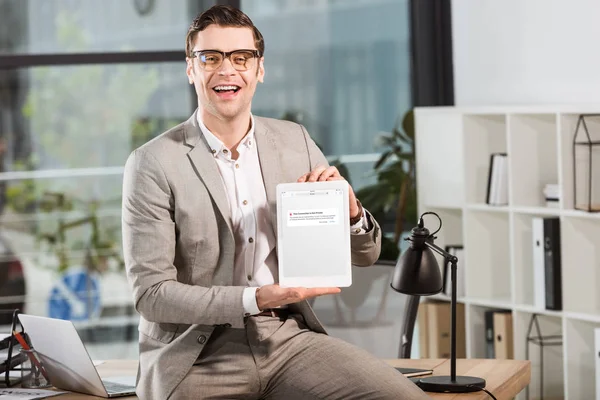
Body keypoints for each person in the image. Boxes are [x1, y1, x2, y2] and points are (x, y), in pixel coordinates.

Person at [122, 5, 428, 400]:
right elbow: (151, 295)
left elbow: (366, 256)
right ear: (191, 69)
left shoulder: (294, 141)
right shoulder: (153, 162)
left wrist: (350, 212)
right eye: (210, 58)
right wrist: (256, 298)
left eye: (241, 57)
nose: (226, 70)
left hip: (286, 339)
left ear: (259, 69)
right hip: (196, 353)